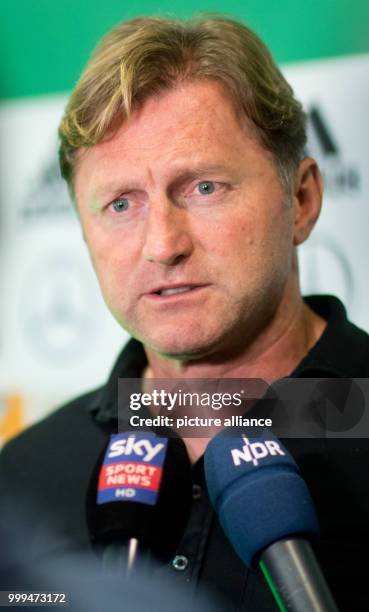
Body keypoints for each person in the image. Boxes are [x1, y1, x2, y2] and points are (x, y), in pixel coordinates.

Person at [1, 15, 369, 611]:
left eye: (203, 188)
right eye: (121, 203)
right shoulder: (21, 476)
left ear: (301, 200)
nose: (162, 244)